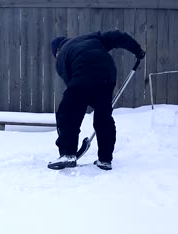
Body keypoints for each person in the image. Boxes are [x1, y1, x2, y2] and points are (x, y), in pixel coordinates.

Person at [48, 30, 145, 170]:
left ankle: (68, 154)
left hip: (82, 75)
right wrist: (137, 49)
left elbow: (73, 89)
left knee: (68, 114)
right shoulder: (91, 36)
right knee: (103, 117)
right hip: (107, 74)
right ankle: (105, 159)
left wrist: (81, 101)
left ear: (56, 51)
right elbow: (117, 36)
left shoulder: (62, 55)